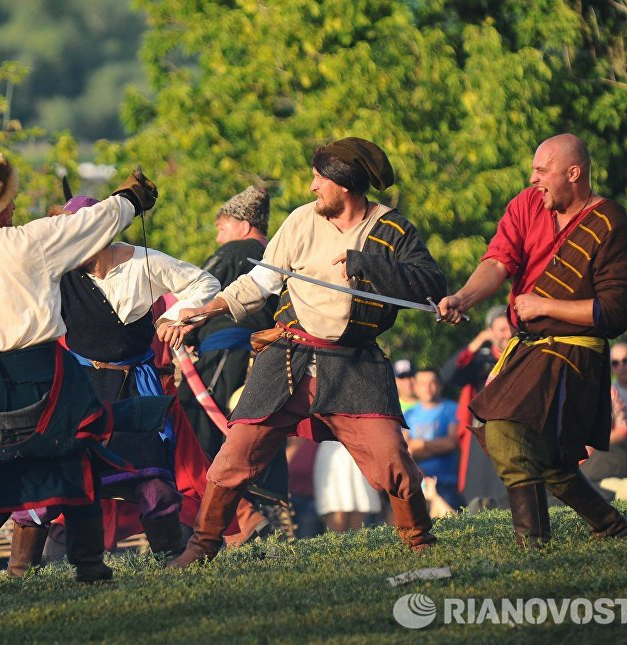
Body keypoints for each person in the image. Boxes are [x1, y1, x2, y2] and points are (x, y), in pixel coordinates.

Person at [165, 137, 447, 566]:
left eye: (320, 178)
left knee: (393, 462)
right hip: (286, 358)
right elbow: (260, 283)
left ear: (345, 184)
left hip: (353, 362)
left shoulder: (393, 230)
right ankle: (201, 547)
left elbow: (430, 285)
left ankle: (420, 543)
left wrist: (366, 264)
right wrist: (209, 309)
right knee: (233, 457)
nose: (313, 187)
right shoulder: (300, 221)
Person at [0, 152, 163, 598]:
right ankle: (89, 564)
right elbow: (92, 224)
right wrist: (132, 197)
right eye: (10, 201)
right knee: (78, 450)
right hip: (43, 371)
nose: (14, 207)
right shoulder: (29, 242)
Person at [437, 133, 627, 548]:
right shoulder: (527, 203)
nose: (533, 178)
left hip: (575, 352)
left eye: (542, 170)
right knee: (547, 459)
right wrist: (463, 297)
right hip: (530, 348)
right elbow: (498, 262)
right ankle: (610, 525)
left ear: (574, 173)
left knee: (501, 428)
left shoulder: (611, 224)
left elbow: (613, 312)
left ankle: (532, 544)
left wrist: (546, 306)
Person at [5, 194, 219, 569]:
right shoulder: (56, 272)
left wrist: (177, 316)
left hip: (134, 389)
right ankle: (20, 573)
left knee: (153, 482)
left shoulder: (142, 262)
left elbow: (204, 282)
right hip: (77, 390)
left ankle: (173, 565)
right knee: (51, 478)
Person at [176, 185, 289, 528]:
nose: (218, 237)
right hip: (260, 360)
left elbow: (197, 296)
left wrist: (183, 327)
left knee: (192, 426)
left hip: (225, 354)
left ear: (243, 226)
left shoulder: (236, 252)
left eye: (222, 227)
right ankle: (255, 514)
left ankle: (232, 518)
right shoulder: (271, 256)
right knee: (248, 434)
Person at [441, 305, 512, 505]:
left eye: (510, 328)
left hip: (514, 428)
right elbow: (448, 376)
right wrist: (476, 343)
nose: (507, 334)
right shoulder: (480, 359)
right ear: (491, 332)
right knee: (478, 492)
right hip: (483, 431)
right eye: (501, 329)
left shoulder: (521, 355)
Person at [403, 368, 463, 510]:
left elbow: (451, 443)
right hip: (417, 484)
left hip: (447, 484)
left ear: (440, 385)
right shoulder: (408, 414)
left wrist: (419, 445)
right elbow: (404, 451)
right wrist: (435, 447)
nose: (428, 388)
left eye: (432, 383)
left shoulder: (453, 409)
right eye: (422, 384)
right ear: (415, 387)